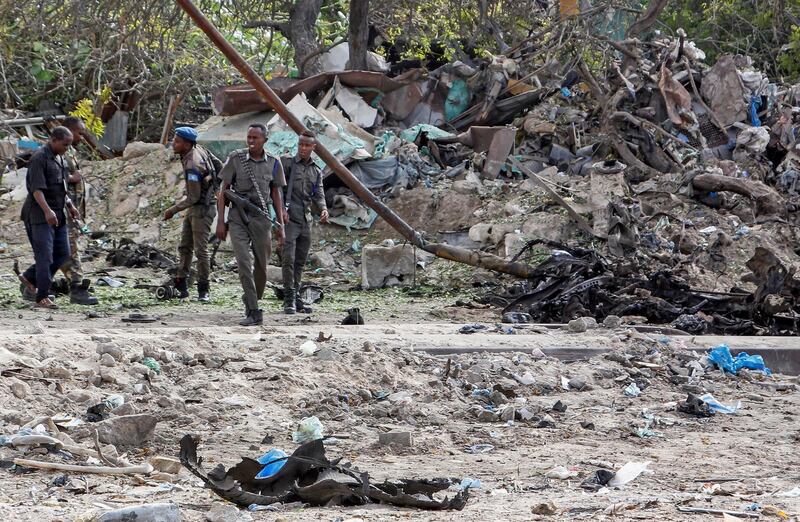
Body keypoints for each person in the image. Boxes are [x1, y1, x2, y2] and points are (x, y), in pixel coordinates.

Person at [216, 124, 286, 326]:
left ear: (265, 139)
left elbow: (276, 194)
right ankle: (254, 311)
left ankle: (251, 298)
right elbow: (224, 190)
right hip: (238, 218)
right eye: (249, 137)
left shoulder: (274, 162)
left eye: (255, 138)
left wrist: (280, 224)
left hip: (262, 219)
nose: (251, 141)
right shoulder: (236, 159)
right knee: (244, 263)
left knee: (262, 268)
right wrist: (221, 221)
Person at [19, 126, 80, 309]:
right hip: (39, 215)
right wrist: (47, 211)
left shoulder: (60, 158)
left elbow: (61, 187)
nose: (67, 148)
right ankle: (42, 297)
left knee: (62, 253)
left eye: (69, 145)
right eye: (65, 144)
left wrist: (70, 205)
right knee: (44, 256)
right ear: (54, 140)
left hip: (58, 213)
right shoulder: (39, 158)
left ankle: (30, 276)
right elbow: (36, 189)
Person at [163, 126, 218, 301]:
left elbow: (193, 197)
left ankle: (204, 289)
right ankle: (181, 285)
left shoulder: (192, 163)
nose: (173, 143)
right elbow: (219, 165)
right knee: (185, 246)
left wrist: (172, 210)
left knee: (201, 250)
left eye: (177, 141)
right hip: (197, 207)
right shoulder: (199, 148)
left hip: (202, 208)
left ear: (187, 144)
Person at [281, 131, 328, 314]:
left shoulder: (316, 170)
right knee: (288, 259)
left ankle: (296, 296)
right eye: (300, 144)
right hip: (289, 218)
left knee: (300, 261)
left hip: (305, 220)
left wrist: (323, 209)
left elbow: (319, 193)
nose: (303, 148)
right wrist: (279, 212)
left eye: (307, 145)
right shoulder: (287, 164)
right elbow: (276, 189)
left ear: (313, 147)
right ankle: (288, 299)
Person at [58, 116, 97, 305]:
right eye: (78, 132)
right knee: (71, 249)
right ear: (68, 130)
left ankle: (32, 280)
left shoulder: (70, 150)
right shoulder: (59, 151)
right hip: (64, 209)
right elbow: (55, 176)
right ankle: (77, 287)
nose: (81, 137)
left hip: (71, 207)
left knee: (63, 249)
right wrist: (72, 177)